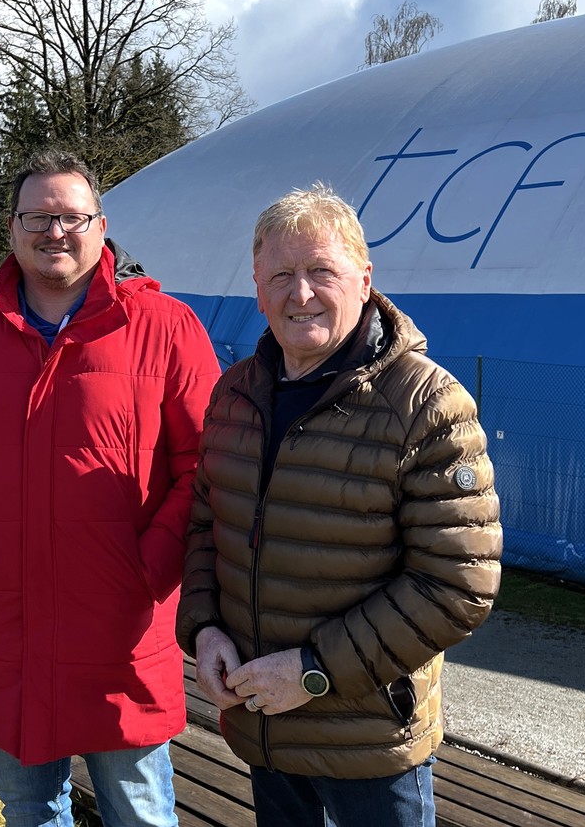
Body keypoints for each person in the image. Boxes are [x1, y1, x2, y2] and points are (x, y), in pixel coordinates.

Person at [0, 149, 220, 827]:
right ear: (11, 228)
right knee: (30, 810)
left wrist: (149, 564)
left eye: (71, 216)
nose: (55, 231)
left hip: (121, 632)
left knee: (139, 812)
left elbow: (210, 467)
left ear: (101, 226)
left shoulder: (166, 329)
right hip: (4, 630)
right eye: (38, 216)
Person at [176, 183, 503, 827]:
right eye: (281, 275)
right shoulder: (236, 393)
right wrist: (205, 625)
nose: (300, 294)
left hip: (368, 743)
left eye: (321, 270)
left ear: (364, 278)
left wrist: (314, 672)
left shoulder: (427, 406)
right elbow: (206, 526)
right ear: (257, 285)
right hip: (264, 725)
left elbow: (458, 584)